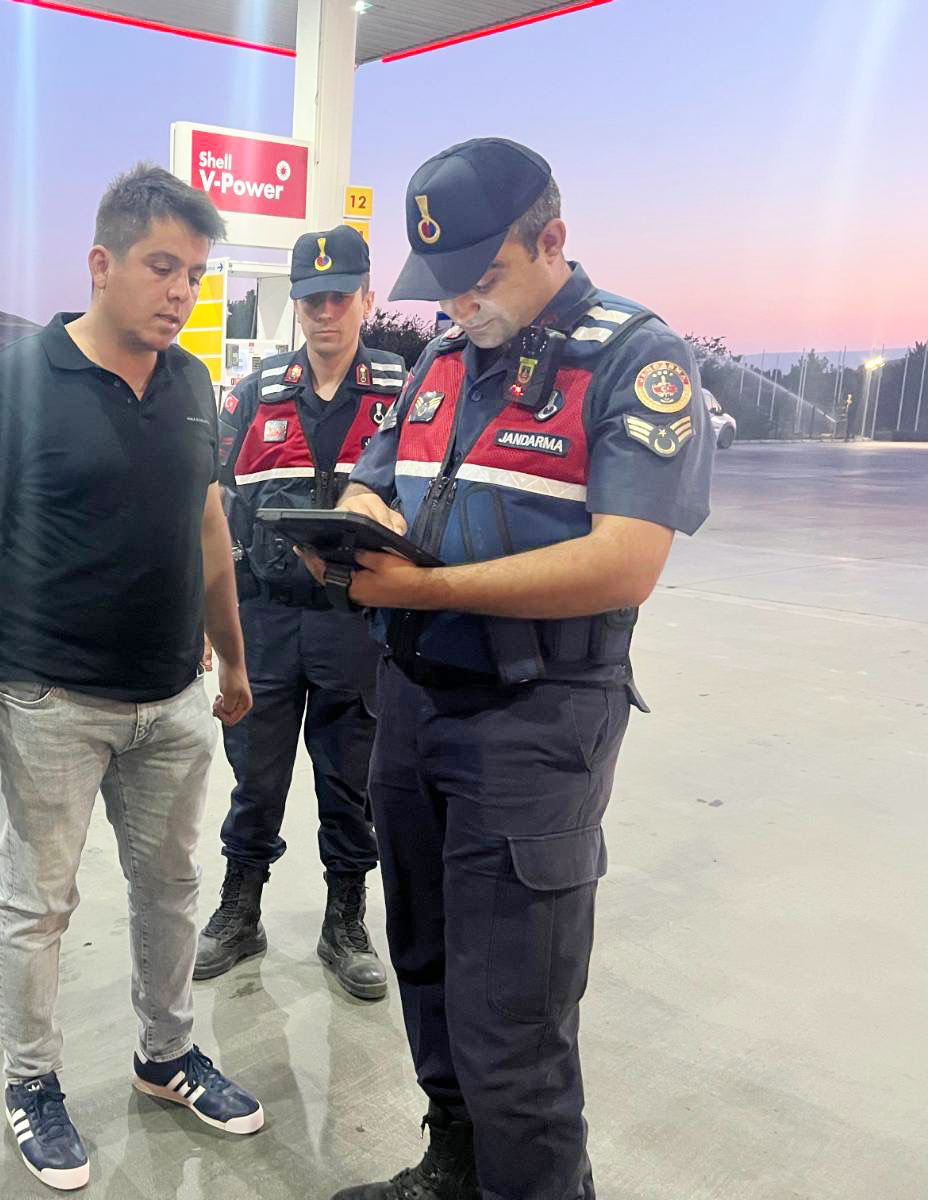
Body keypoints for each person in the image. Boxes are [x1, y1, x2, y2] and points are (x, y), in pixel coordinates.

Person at [300, 139, 712, 1200]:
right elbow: (374, 477)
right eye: (444, 283)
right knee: (427, 964)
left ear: (553, 241)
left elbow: (625, 561)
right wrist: (354, 522)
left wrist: (427, 587)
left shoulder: (633, 359)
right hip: (412, 708)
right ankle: (454, 1166)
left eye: (481, 276)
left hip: (533, 723)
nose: (459, 304)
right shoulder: (443, 359)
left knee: (512, 1021)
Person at [0, 163, 265, 1193]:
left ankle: (167, 1056)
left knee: (171, 889)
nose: (181, 292)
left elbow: (208, 527)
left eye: (194, 275)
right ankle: (32, 1083)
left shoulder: (193, 385)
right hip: (49, 699)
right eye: (162, 267)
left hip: (171, 698)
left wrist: (232, 654)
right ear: (101, 264)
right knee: (38, 904)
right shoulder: (15, 385)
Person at [196, 225, 405, 1001]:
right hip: (266, 621)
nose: (325, 313)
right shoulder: (256, 395)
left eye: (340, 297)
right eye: (312, 300)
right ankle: (240, 910)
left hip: (357, 624)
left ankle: (344, 921)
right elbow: (214, 506)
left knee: (350, 781)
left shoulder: (403, 395)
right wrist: (206, 618)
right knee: (255, 777)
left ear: (366, 299)